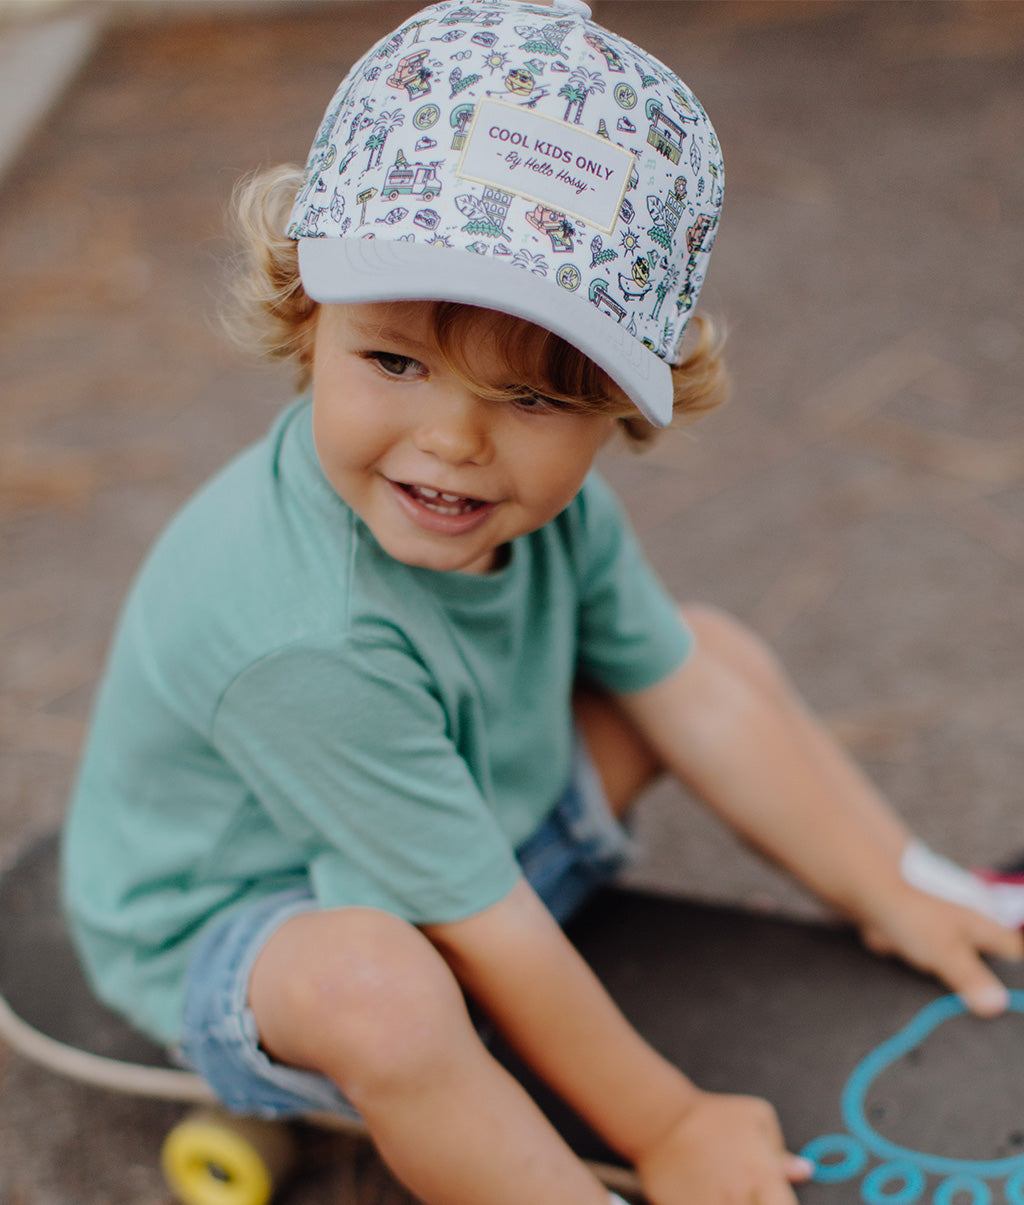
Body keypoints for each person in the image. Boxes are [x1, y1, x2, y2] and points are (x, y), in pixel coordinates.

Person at [61, 2, 1024, 1203]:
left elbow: (689, 695)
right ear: (308, 317)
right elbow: (485, 924)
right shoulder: (303, 636)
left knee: (702, 654)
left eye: (532, 397)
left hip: (459, 840)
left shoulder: (551, 512)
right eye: (396, 360)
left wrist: (886, 882)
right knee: (384, 990)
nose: (454, 440)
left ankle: (919, 886)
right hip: (256, 930)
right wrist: (667, 1123)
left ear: (621, 402)